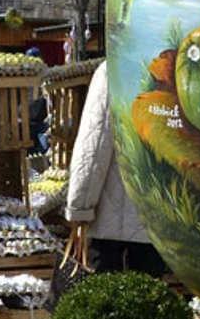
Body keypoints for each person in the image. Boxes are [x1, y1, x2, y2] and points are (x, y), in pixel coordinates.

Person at [65, 61, 164, 276]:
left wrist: (80, 207)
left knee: (105, 299)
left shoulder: (114, 69)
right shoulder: (170, 66)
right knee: (147, 299)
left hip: (110, 222)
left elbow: (95, 143)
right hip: (158, 220)